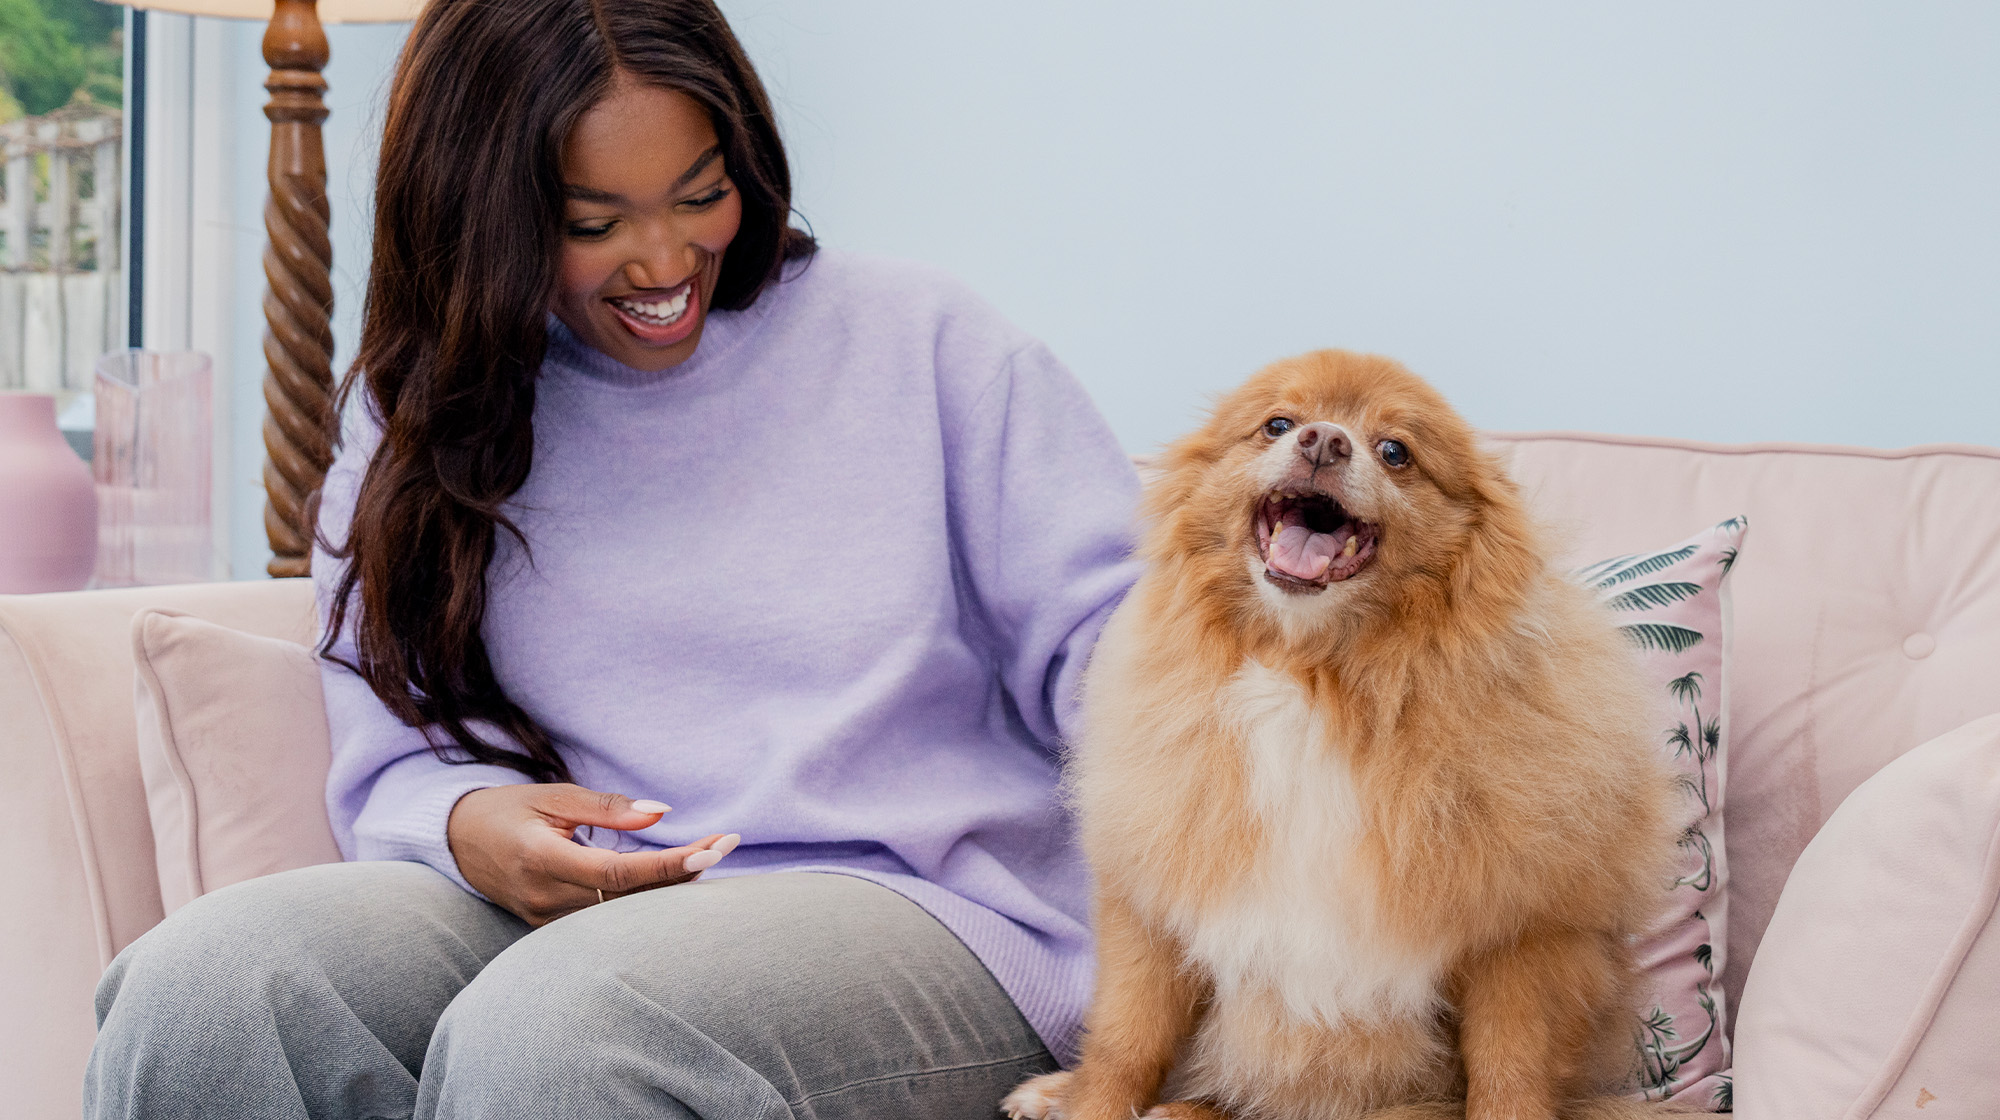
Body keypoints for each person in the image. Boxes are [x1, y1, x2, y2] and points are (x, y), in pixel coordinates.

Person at [83, 0, 1140, 1116]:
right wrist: (460, 819)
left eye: (701, 193)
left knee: (560, 1036)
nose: (665, 258)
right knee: (206, 992)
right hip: (580, 915)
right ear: (482, 217)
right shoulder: (429, 409)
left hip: (923, 904)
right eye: (594, 222)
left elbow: (1131, 651)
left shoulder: (923, 343)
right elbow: (391, 718)